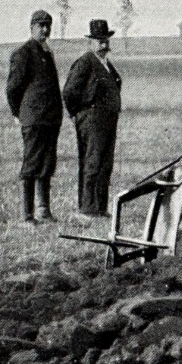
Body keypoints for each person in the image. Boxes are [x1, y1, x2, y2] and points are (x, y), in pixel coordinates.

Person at [5, 9, 63, 224]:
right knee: (31, 164)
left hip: (50, 119)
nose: (45, 29)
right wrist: (17, 112)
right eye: (41, 25)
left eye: (48, 25)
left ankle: (44, 210)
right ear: (31, 27)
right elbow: (12, 88)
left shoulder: (47, 52)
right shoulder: (23, 53)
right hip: (34, 119)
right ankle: (27, 215)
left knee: (47, 164)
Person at [63, 19, 123, 218]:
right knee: (92, 162)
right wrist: (78, 115)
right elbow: (70, 92)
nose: (104, 45)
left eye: (105, 40)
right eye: (99, 41)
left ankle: (100, 207)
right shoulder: (85, 62)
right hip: (92, 120)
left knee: (105, 163)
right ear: (90, 42)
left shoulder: (106, 64)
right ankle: (87, 208)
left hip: (108, 119)